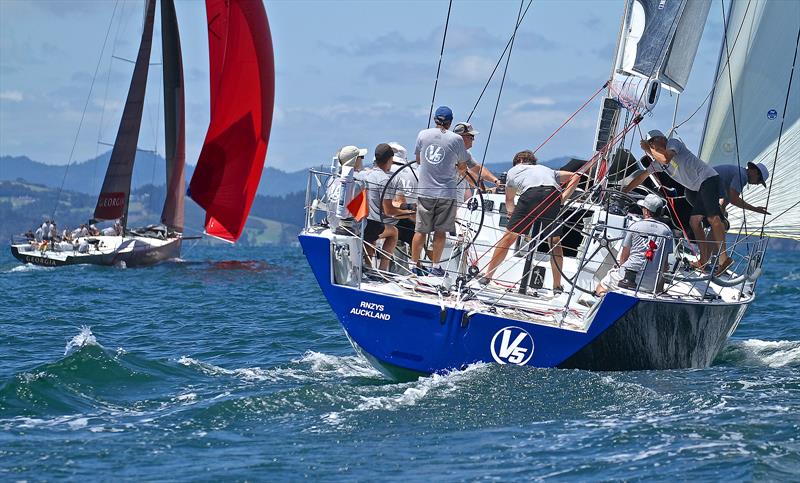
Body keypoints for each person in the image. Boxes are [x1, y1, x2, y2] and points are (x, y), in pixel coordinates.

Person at [624, 130, 731, 274]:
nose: (651, 146)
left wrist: (647, 149)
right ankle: (704, 260)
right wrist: (624, 191)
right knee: (694, 222)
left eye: (652, 142)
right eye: (650, 144)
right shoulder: (658, 164)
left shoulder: (673, 144)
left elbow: (666, 158)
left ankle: (724, 260)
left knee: (714, 219)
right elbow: (641, 177)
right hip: (700, 187)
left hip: (708, 179)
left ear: (661, 139)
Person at [481, 150, 580, 292]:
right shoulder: (547, 170)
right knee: (554, 242)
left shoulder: (514, 170)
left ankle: (487, 276)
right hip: (552, 196)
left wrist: (511, 213)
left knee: (508, 238)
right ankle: (557, 286)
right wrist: (562, 199)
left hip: (531, 195)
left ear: (519, 160)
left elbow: (509, 200)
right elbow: (575, 176)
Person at [411, 106, 470, 277]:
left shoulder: (423, 134)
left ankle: (413, 265)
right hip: (446, 193)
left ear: (435, 119)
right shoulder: (457, 139)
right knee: (440, 231)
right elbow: (463, 166)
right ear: (451, 122)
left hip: (425, 191)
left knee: (420, 231)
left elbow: (418, 159)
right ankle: (435, 266)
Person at [594, 194, 674, 296]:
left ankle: (602, 298)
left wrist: (619, 269)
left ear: (646, 211)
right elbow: (665, 265)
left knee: (601, 286)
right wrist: (659, 290)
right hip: (650, 284)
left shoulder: (635, 226)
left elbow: (624, 257)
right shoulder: (667, 231)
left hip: (629, 278)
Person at [360, 143, 414, 271]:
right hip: (372, 226)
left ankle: (368, 266)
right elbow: (388, 210)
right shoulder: (385, 180)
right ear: (390, 160)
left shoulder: (368, 175)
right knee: (394, 232)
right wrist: (409, 213)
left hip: (362, 222)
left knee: (374, 233)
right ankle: (383, 269)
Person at [325, 145, 367, 231]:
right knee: (387, 229)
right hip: (352, 228)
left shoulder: (332, 179)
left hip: (333, 225)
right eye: (361, 157)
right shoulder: (358, 182)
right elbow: (362, 212)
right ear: (355, 160)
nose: (362, 160)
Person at [452, 121, 500, 187]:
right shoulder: (451, 152)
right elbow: (466, 174)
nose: (473, 139)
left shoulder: (466, 153)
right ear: (461, 138)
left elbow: (479, 169)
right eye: (471, 136)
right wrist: (486, 189)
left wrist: (496, 181)